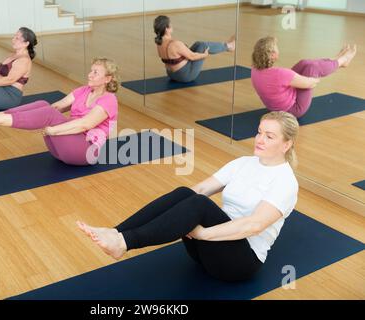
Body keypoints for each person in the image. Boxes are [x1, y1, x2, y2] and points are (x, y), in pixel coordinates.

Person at [78, 111, 299, 282]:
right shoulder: (243, 163)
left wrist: (203, 234)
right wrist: (186, 219)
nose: (259, 139)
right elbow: (200, 190)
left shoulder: (285, 182)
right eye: (259, 132)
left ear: (286, 144)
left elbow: (252, 226)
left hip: (238, 263)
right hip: (207, 251)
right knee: (187, 193)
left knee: (199, 205)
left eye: (269, 136)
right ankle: (117, 232)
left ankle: (124, 242)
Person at [0, 57, 119, 166]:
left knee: (48, 113)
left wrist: (53, 131)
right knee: (44, 104)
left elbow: (84, 125)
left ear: (107, 79)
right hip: (63, 148)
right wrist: (40, 116)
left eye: (95, 73)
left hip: (85, 152)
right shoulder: (83, 90)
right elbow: (57, 107)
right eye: (91, 71)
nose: (89, 75)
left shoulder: (109, 100)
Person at [251, 36, 357, 118]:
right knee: (313, 67)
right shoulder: (280, 74)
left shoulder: (254, 70)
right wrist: (317, 75)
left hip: (274, 108)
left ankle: (336, 59)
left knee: (305, 63)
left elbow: (282, 79)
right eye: (277, 48)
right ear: (273, 55)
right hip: (294, 109)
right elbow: (311, 83)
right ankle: (342, 60)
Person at [154, 15, 235, 83]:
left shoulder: (159, 43)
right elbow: (192, 57)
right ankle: (229, 46)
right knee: (203, 45)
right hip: (184, 76)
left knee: (198, 44)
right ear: (166, 29)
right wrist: (204, 55)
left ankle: (227, 46)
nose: (172, 25)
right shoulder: (175, 44)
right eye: (170, 24)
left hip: (171, 74)